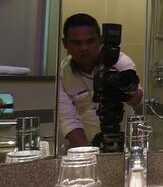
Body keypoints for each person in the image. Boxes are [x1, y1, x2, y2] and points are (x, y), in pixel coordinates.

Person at [57, 13, 143, 148]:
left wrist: (132, 92)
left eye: (90, 41)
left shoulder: (120, 62)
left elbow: (135, 100)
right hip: (86, 142)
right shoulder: (64, 73)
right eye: (76, 43)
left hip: (124, 140)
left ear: (100, 40)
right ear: (65, 43)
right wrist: (85, 153)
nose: (84, 48)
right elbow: (68, 118)